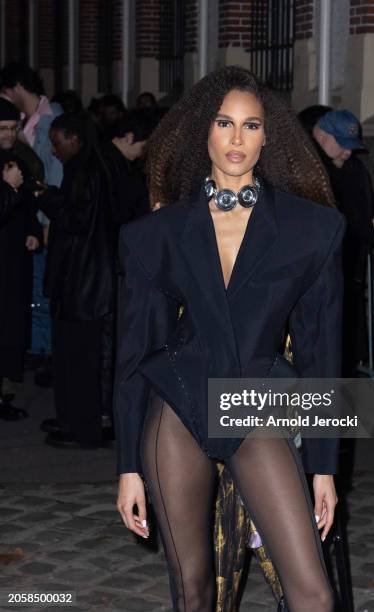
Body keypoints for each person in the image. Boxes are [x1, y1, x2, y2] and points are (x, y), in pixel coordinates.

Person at [115, 66, 345, 611]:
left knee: (313, 593)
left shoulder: (310, 230)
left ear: (269, 138)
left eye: (251, 125)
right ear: (206, 132)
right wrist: (127, 465)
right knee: (194, 590)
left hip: (254, 402)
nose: (237, 138)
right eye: (225, 123)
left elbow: (321, 349)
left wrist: (324, 464)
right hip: (179, 405)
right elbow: (133, 352)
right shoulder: (156, 233)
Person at [35, 113, 116, 449]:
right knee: (69, 359)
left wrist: (45, 198)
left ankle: (82, 429)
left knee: (80, 360)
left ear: (75, 140)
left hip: (85, 285)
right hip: (79, 281)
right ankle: (71, 419)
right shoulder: (82, 168)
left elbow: (77, 219)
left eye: (57, 143)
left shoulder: (88, 170)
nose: (54, 151)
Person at [303, 108, 374, 375]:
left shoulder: (353, 170)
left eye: (351, 145)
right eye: (341, 144)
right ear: (320, 135)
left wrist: (366, 230)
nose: (348, 152)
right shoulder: (309, 173)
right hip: (317, 281)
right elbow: (314, 226)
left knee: (343, 349)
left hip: (347, 275)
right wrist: (361, 231)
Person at [0, 98, 41, 420]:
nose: (9, 135)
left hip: (14, 261)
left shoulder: (17, 161)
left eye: (13, 129)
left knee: (12, 327)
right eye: (3, 129)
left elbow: (25, 206)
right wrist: (9, 189)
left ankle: (5, 390)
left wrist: (32, 231)